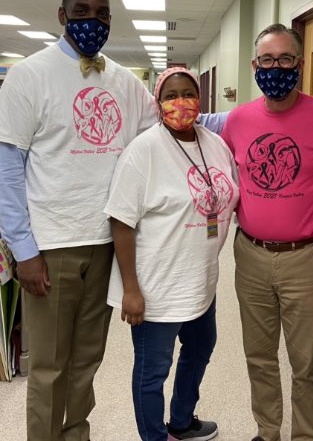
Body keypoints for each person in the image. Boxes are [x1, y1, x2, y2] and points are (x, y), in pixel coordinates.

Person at [0, 0, 226, 441]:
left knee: (86, 361)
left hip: (105, 245)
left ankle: (77, 434)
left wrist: (253, 120)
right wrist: (23, 248)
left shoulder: (123, 81)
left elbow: (172, 116)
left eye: (101, 12)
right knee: (51, 366)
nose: (91, 20)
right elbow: (7, 168)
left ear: (111, 19)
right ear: (62, 15)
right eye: (81, 11)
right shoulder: (28, 75)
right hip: (51, 246)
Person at [221, 23, 313, 441]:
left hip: (306, 256)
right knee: (259, 355)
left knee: (307, 362)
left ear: (300, 65)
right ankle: (267, 431)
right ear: (255, 65)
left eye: (286, 59)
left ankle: (307, 436)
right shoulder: (237, 121)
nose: (276, 68)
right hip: (250, 253)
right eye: (268, 60)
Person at [104, 66, 238, 441]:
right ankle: (154, 436)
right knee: (153, 370)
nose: (181, 103)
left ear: (200, 99)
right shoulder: (143, 150)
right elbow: (121, 222)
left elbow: (228, 195)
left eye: (188, 93)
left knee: (200, 349)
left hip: (201, 280)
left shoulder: (214, 143)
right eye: (170, 95)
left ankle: (181, 419)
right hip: (157, 286)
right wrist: (131, 289)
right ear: (158, 102)